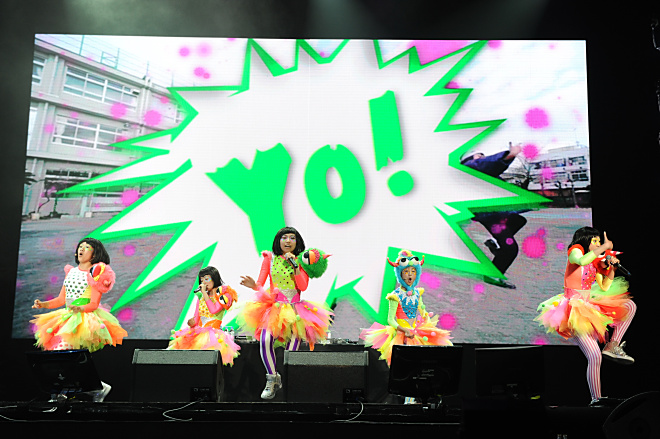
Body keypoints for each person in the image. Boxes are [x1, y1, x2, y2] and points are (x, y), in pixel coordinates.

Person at [535, 227, 636, 406]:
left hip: (590, 307)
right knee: (594, 356)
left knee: (629, 306)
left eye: (599, 242)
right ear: (585, 240)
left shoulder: (595, 261)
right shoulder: (575, 251)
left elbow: (604, 286)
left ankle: (613, 345)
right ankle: (596, 399)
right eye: (595, 241)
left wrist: (611, 268)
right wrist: (604, 247)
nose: (598, 245)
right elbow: (581, 261)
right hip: (573, 310)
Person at [238, 226, 333, 400]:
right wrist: (253, 285)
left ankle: (290, 384)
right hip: (274, 308)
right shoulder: (270, 259)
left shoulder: (302, 261)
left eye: (292, 238)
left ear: (297, 242)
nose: (288, 241)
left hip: (296, 310)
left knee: (291, 351)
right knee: (265, 340)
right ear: (278, 241)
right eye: (284, 237)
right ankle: (272, 378)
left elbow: (303, 286)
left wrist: (295, 266)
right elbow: (260, 283)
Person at [31, 237, 127, 402]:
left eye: (86, 247)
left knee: (62, 354)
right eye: (80, 246)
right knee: (62, 358)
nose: (81, 249)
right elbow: (61, 299)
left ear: (94, 253)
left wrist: (80, 308)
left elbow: (94, 303)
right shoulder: (71, 272)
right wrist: (43, 304)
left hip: (83, 321)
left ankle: (62, 393)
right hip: (67, 318)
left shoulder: (96, 274)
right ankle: (95, 389)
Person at [360, 249, 453, 367]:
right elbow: (390, 320)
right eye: (406, 271)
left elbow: (422, 311)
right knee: (403, 363)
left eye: (413, 271)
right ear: (400, 274)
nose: (410, 274)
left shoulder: (417, 293)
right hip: (401, 334)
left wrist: (427, 320)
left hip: (416, 331)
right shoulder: (395, 296)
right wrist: (404, 330)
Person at [461, 142, 527, 289]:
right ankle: (492, 275)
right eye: (479, 156)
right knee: (510, 249)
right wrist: (508, 155)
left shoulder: (483, 173)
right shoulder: (470, 167)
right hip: (490, 215)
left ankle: (494, 242)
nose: (482, 157)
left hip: (494, 213)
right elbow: (487, 164)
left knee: (518, 220)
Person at [168, 266, 240, 366]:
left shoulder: (225, 295)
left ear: (215, 278)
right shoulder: (201, 297)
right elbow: (196, 318)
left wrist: (204, 294)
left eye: (206, 279)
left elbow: (214, 310)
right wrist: (191, 322)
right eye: (201, 280)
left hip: (214, 336)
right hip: (198, 333)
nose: (204, 282)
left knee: (208, 363)